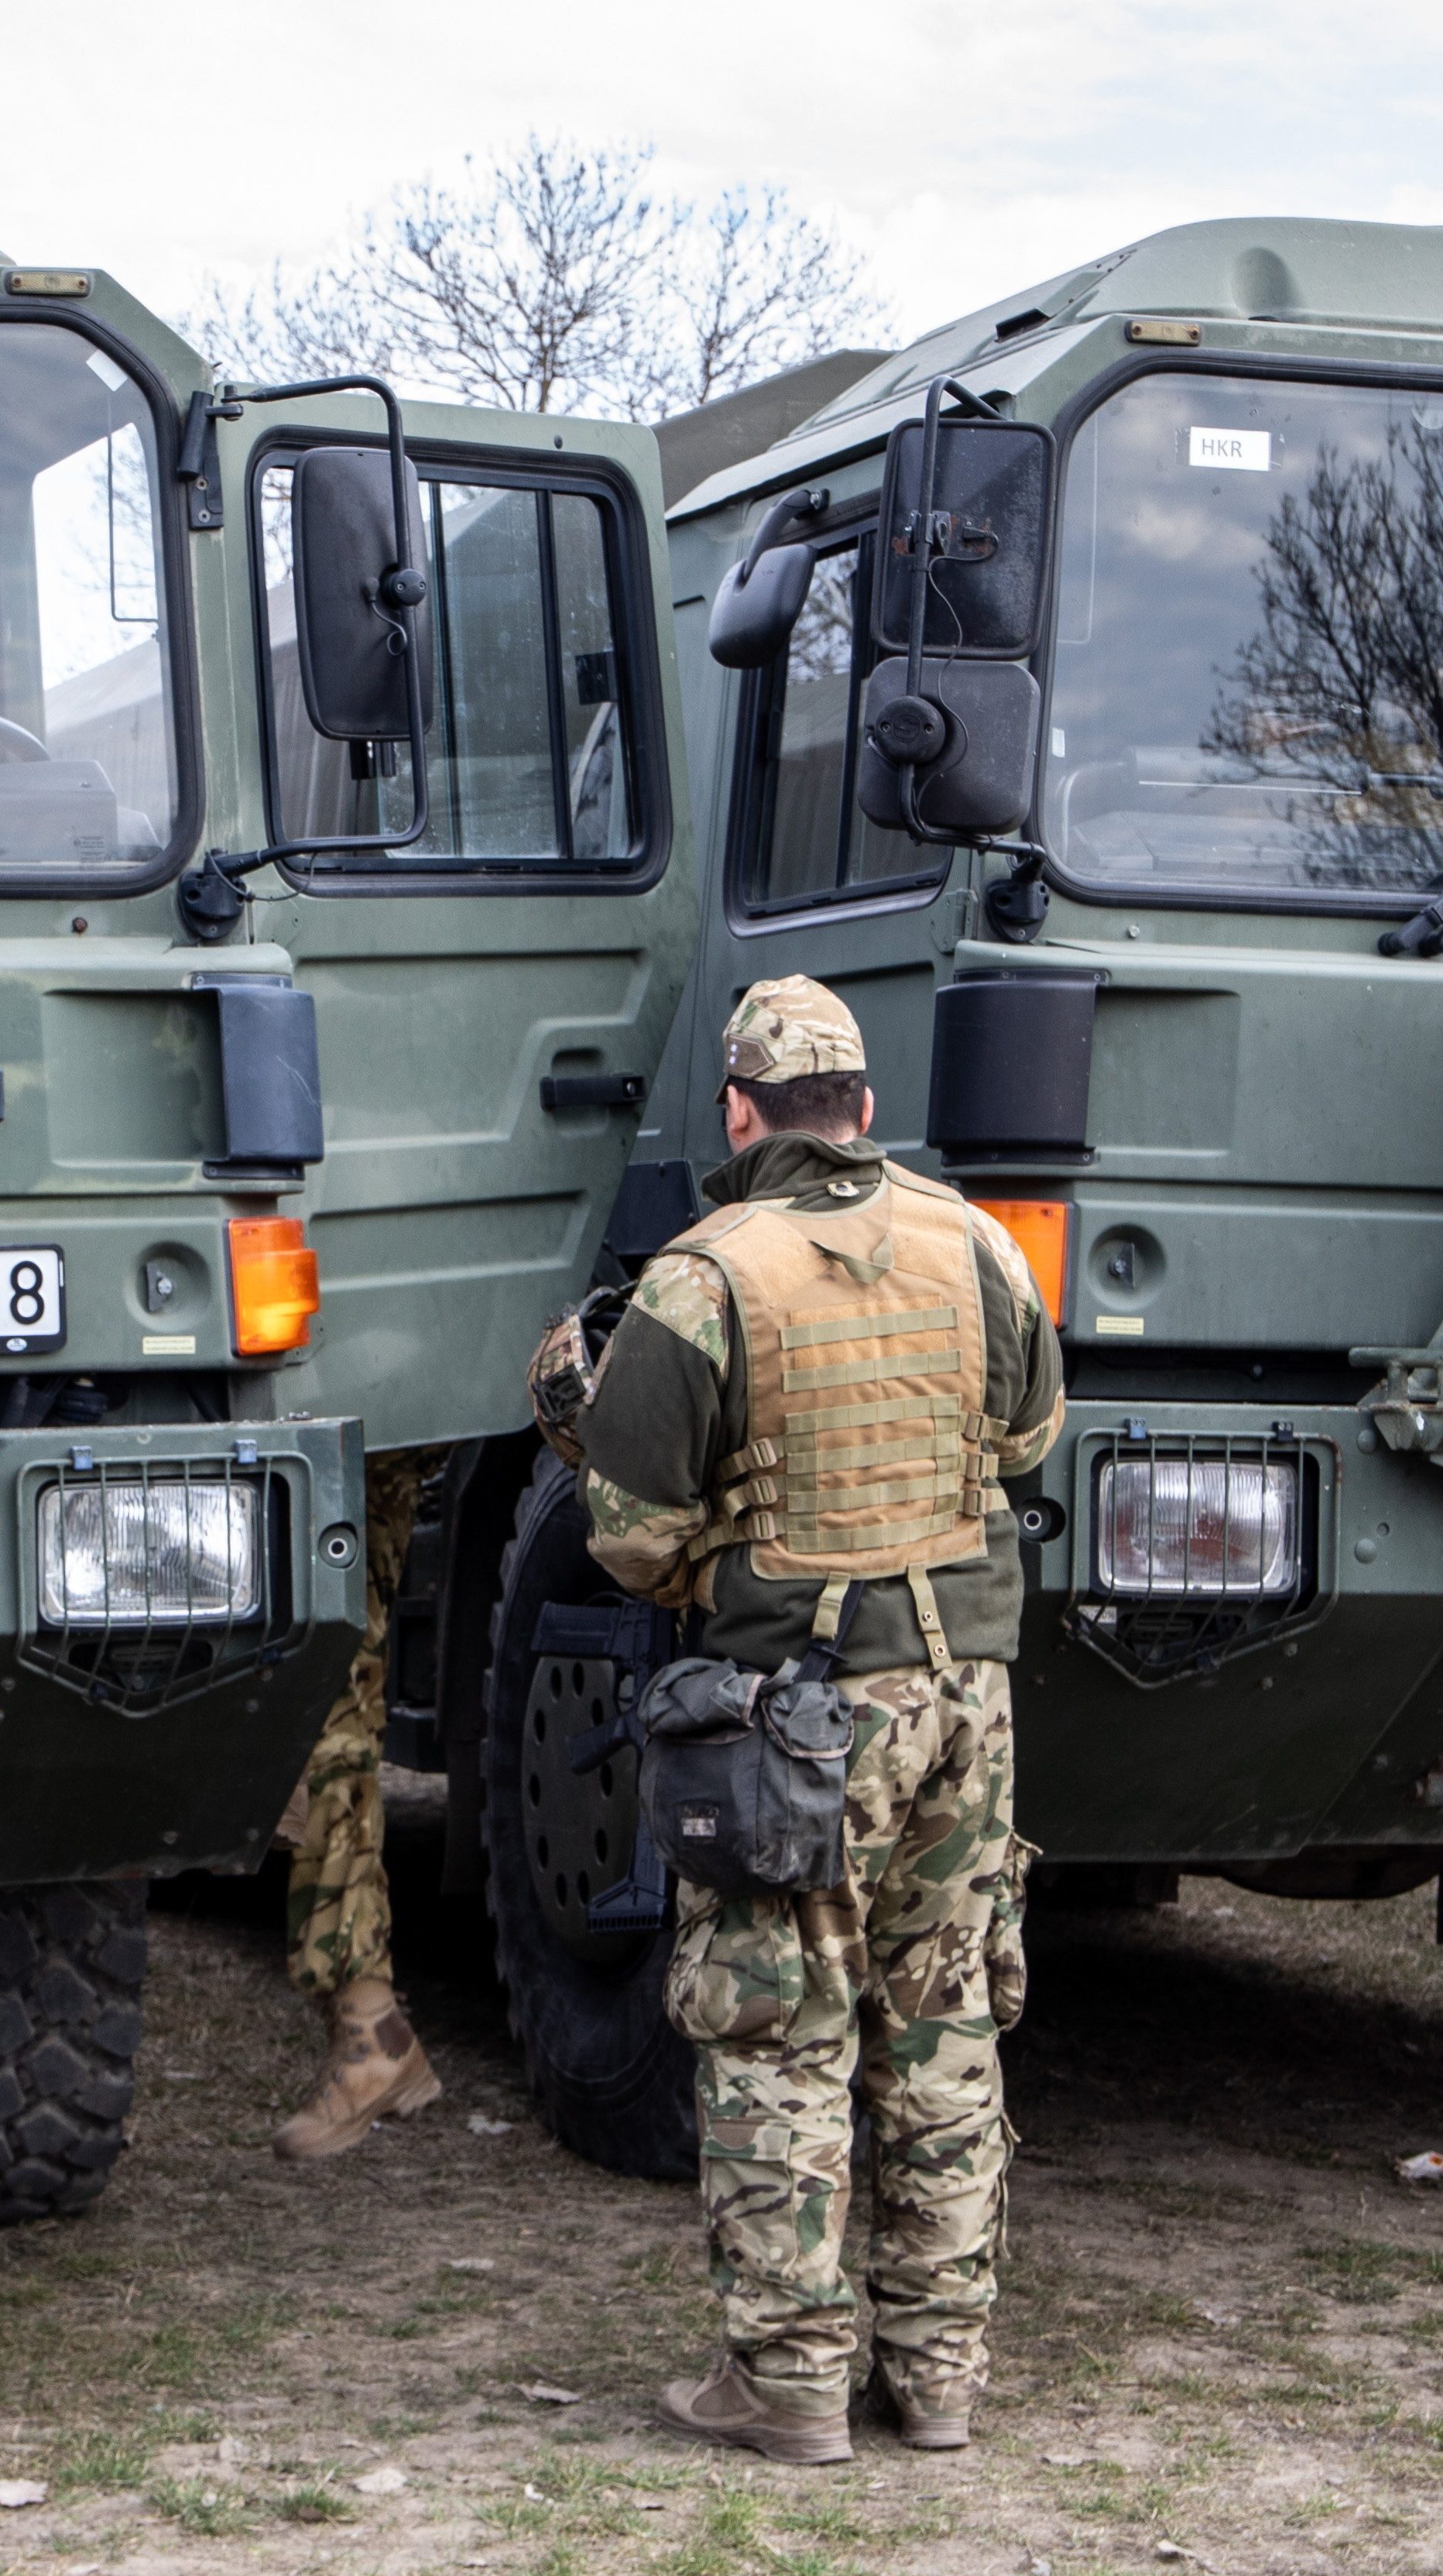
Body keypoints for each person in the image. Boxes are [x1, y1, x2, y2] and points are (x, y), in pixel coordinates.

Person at [559, 976, 1061, 2462]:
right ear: (859, 1105)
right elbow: (1030, 1437)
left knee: (779, 2030)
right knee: (946, 2022)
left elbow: (633, 1538)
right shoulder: (975, 1244)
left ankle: (787, 2381)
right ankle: (941, 2376)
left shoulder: (706, 1278)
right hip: (969, 1699)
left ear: (738, 1112)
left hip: (803, 1721)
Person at [268, 1444, 444, 2159]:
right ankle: (369, 2028)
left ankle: (372, 2030)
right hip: (308, 1426)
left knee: (329, 1710)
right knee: (318, 1702)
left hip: (347, 1436)